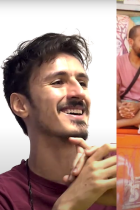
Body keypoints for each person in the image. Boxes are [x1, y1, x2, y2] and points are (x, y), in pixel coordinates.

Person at [0, 33, 116, 210]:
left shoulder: (119, 170)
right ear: (21, 105)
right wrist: (69, 204)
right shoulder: (6, 195)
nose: (79, 92)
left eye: (82, 83)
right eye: (58, 82)